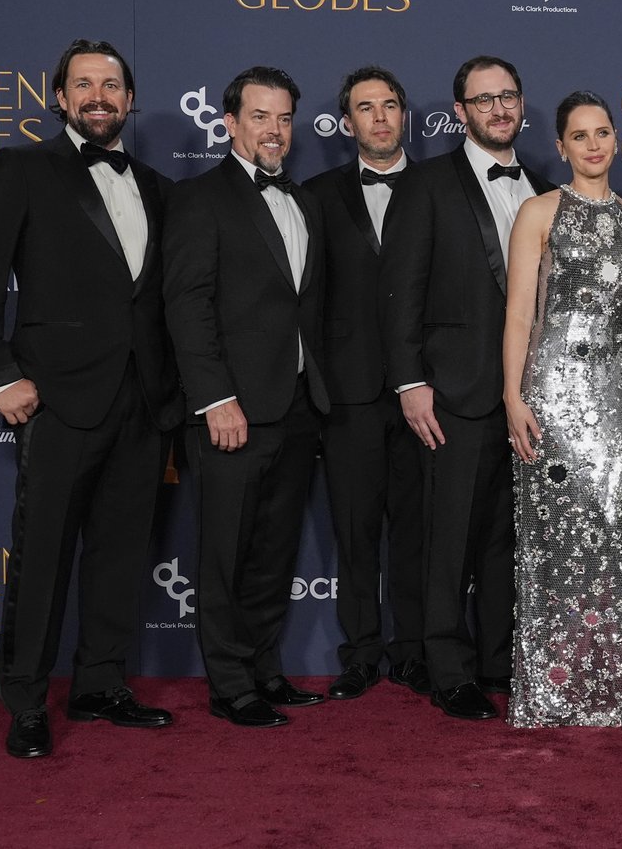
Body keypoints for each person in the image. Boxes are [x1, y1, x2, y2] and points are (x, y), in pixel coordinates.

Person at [0, 39, 182, 758]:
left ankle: (100, 682)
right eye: (83, 84)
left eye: (111, 84)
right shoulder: (23, 168)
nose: (98, 96)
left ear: (130, 99)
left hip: (143, 401)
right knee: (43, 554)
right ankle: (25, 699)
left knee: (119, 553)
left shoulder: (156, 186)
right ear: (59, 98)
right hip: (55, 397)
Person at [381, 56, 553, 721]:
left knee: (507, 539)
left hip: (529, 395)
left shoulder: (542, 188)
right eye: (484, 100)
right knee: (448, 537)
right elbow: (399, 293)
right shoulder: (425, 185)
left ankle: (497, 659)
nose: (499, 109)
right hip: (450, 391)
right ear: (459, 112)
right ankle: (448, 668)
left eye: (508, 95)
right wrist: (410, 380)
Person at [163, 66, 330, 728]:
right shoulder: (198, 198)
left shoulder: (306, 202)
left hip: (296, 406)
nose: (275, 130)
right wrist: (214, 398)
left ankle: (264, 669)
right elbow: (187, 305)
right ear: (228, 122)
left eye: (284, 117)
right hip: (231, 410)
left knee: (272, 551)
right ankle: (230, 684)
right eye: (260, 116)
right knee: (226, 552)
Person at [502, 91, 622, 728]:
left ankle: (612, 691)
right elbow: (519, 316)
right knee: (554, 546)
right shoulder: (539, 212)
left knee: (615, 542)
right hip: (554, 397)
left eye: (603, 133)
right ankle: (551, 691)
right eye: (579, 136)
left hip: (618, 399)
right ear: (560, 147)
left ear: (616, 139)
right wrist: (512, 396)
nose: (594, 145)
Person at [302, 67, 427, 702]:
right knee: (354, 531)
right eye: (365, 109)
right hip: (347, 396)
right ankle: (359, 653)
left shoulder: (442, 188)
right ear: (346, 123)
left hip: (426, 395)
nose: (380, 118)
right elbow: (305, 300)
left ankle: (412, 651)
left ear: (405, 115)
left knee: (416, 528)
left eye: (390, 106)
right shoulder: (315, 195)